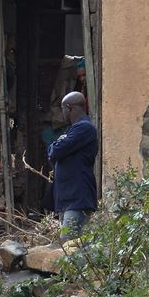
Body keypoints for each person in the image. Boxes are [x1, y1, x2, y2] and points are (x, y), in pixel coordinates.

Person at [47, 91, 98, 241]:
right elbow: (55, 154)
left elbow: (55, 151)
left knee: (69, 244)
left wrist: (57, 144)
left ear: (69, 108)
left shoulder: (84, 128)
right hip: (68, 200)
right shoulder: (75, 130)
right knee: (71, 246)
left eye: (63, 109)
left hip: (77, 199)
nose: (62, 113)